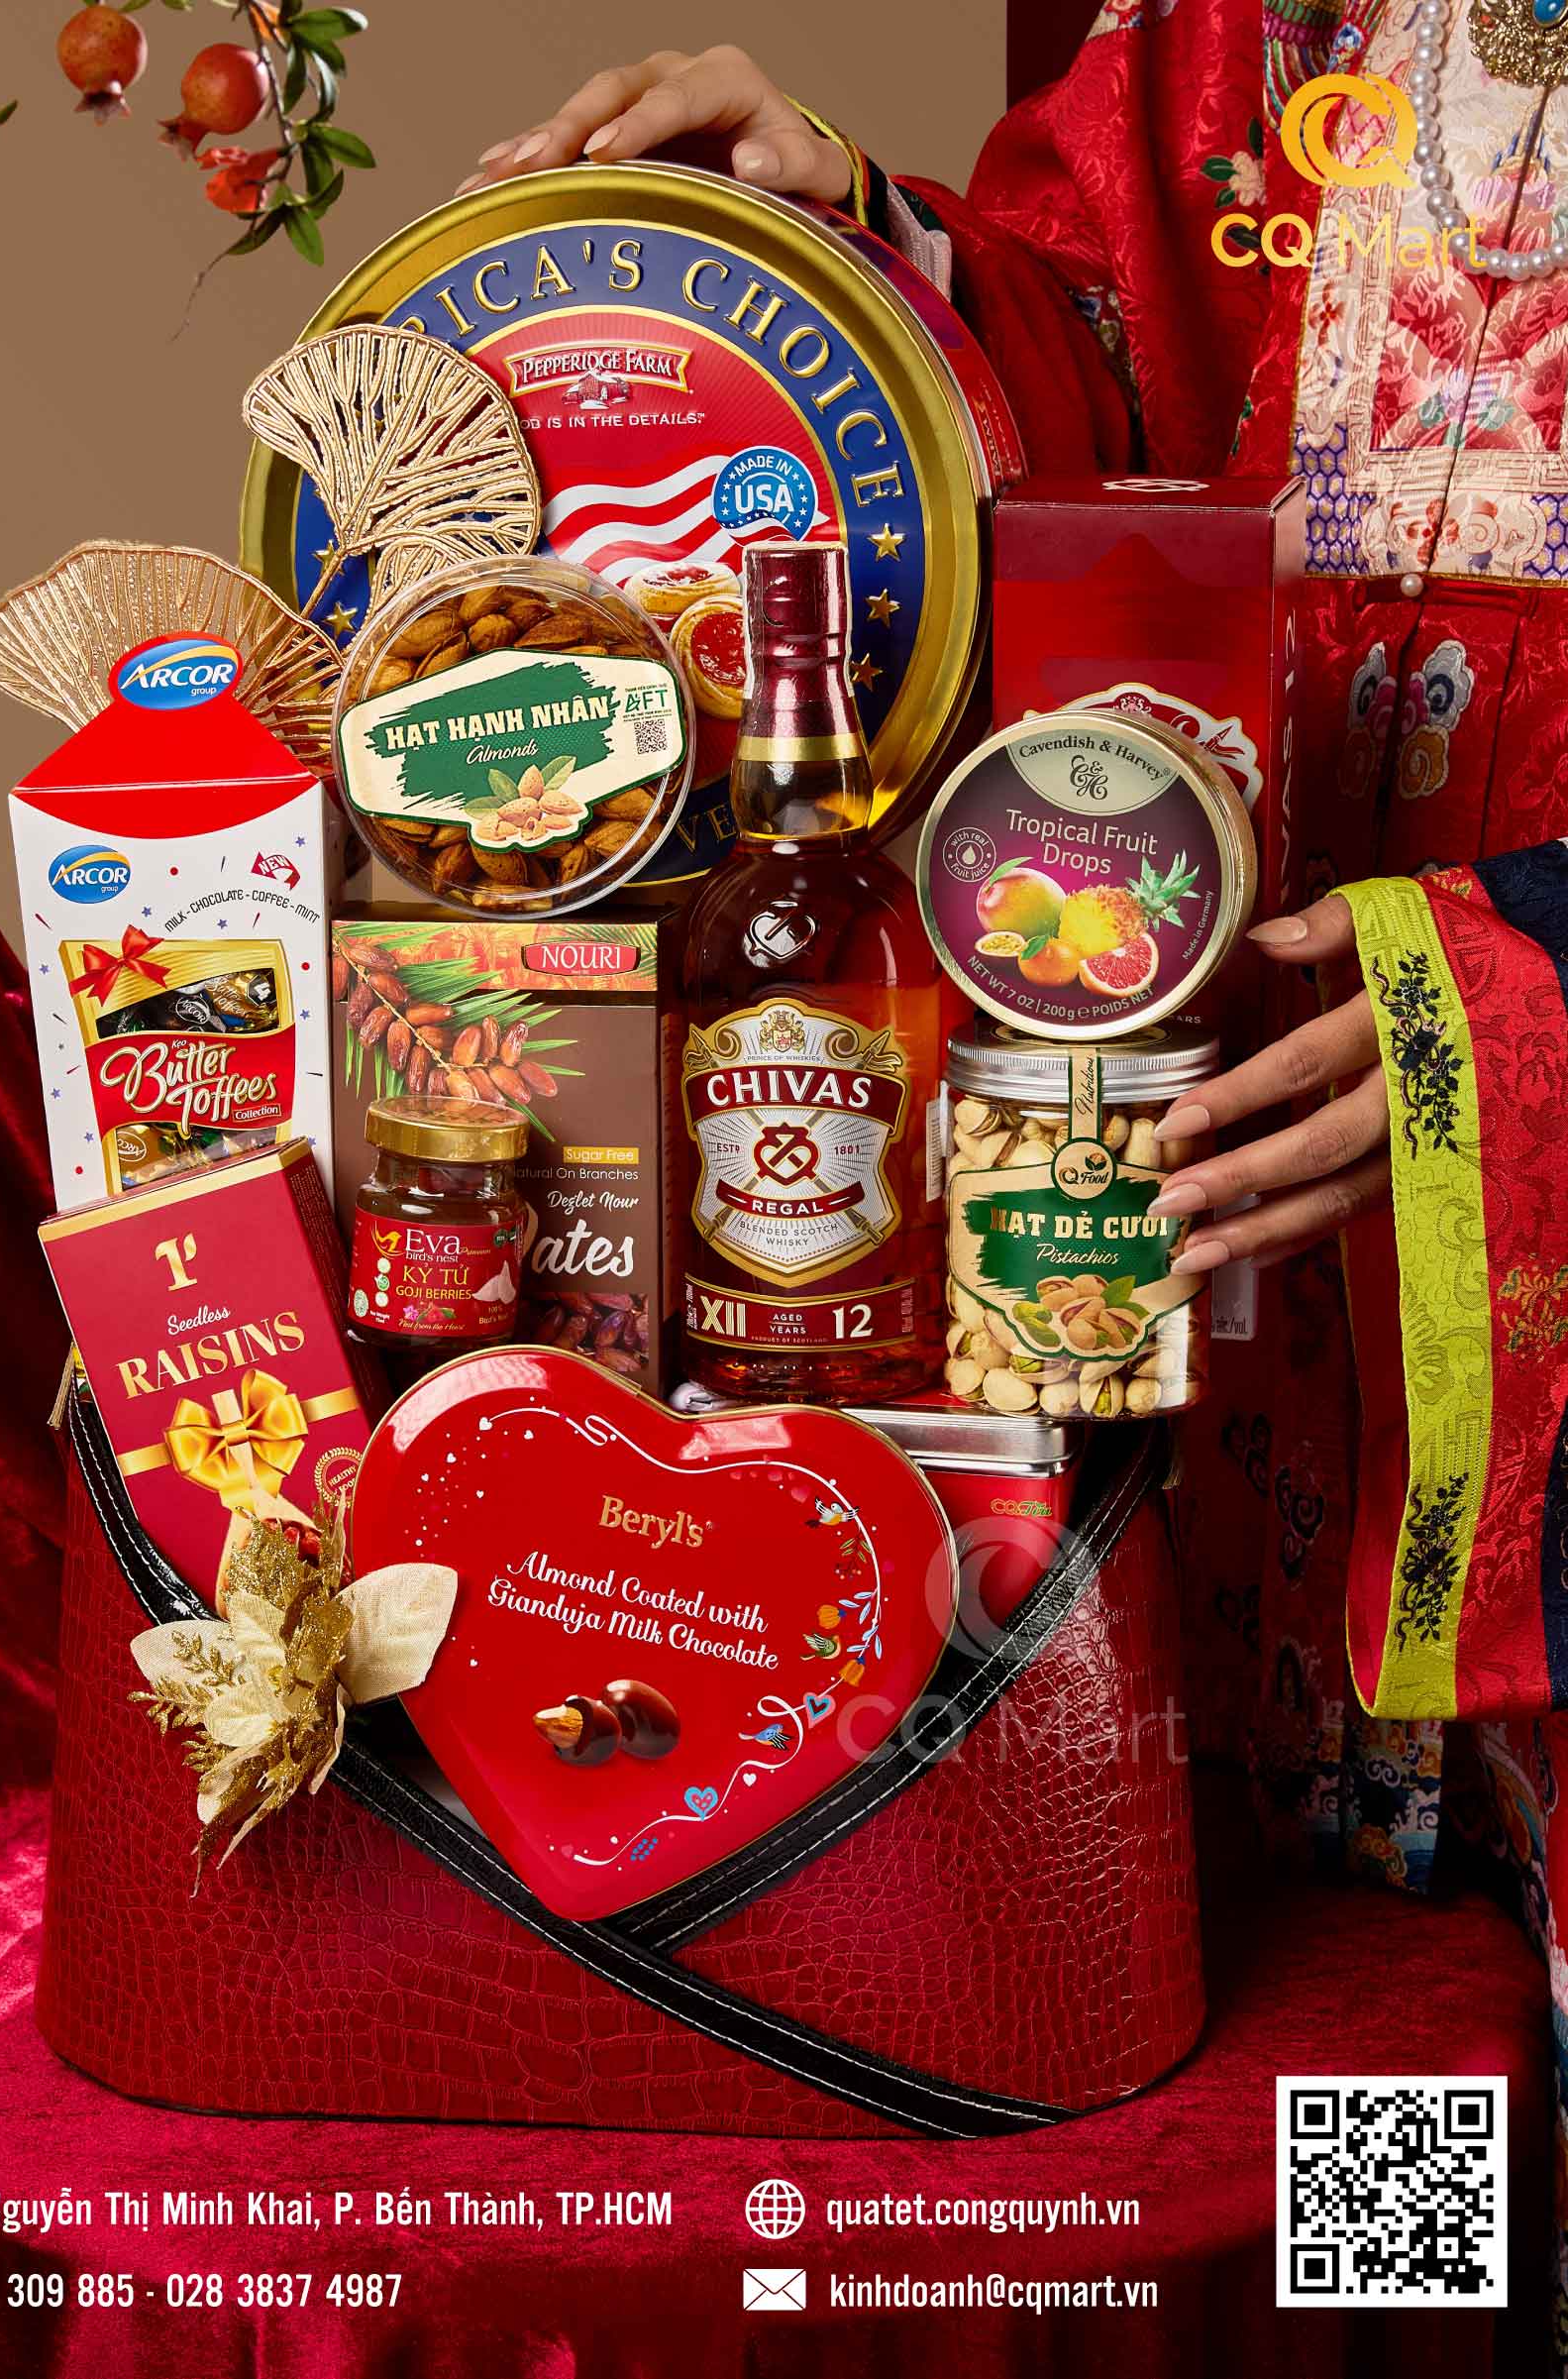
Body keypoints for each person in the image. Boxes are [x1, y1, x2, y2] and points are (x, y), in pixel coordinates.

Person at [464, 0, 1568, 2316]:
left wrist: (1534, 989)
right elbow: (1105, 389)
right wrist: (866, 276)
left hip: (1534, 1305)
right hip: (1211, 1243)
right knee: (1309, 2159)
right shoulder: (1281, 26)